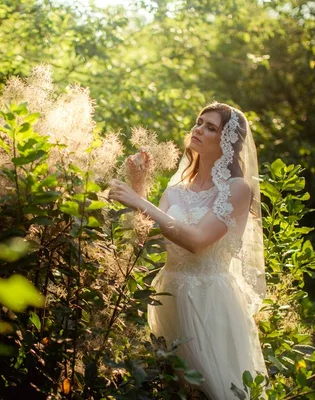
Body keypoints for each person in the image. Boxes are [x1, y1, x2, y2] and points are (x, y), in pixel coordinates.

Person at [108, 102, 267, 399]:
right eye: (198, 122)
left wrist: (141, 202)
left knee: (213, 389)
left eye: (211, 127)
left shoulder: (236, 189)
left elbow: (196, 240)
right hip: (168, 294)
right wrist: (139, 184)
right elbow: (146, 235)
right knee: (175, 386)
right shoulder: (177, 187)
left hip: (209, 299)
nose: (199, 129)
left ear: (227, 140)